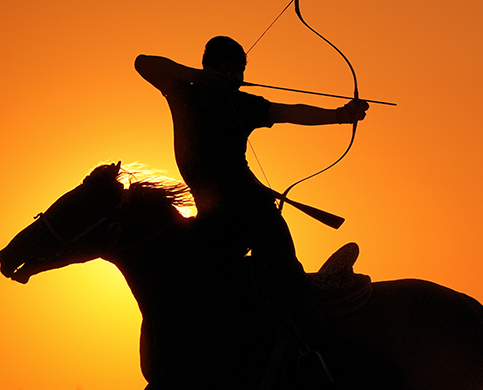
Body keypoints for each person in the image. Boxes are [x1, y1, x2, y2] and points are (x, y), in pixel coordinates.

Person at [135, 36, 368, 333]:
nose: (236, 77)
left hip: (256, 214)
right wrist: (198, 77)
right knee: (187, 282)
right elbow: (143, 63)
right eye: (229, 70)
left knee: (292, 284)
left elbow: (288, 112)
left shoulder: (244, 105)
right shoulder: (183, 93)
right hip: (212, 217)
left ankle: (322, 352)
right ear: (210, 68)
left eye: (240, 70)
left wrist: (341, 116)